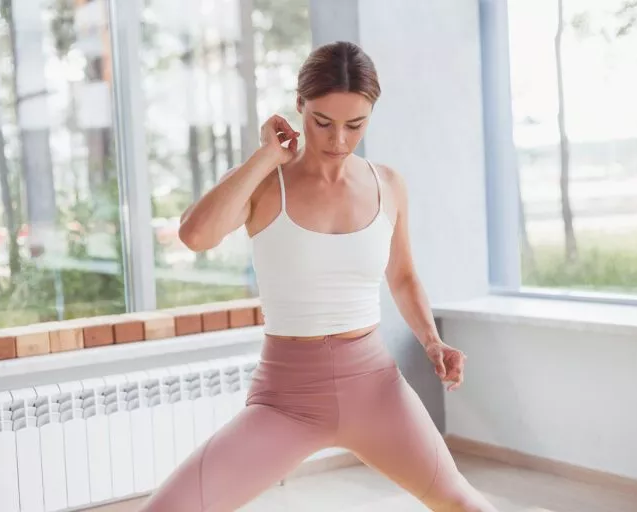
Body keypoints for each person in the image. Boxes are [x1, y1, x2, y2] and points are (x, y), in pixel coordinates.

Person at [140, 41, 497, 512]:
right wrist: (265, 156)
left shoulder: (387, 184)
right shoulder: (267, 183)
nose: (339, 140)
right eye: (322, 122)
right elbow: (195, 235)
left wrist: (432, 341)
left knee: (462, 503)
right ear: (298, 107)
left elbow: (404, 276)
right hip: (286, 400)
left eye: (356, 125)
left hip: (376, 389)